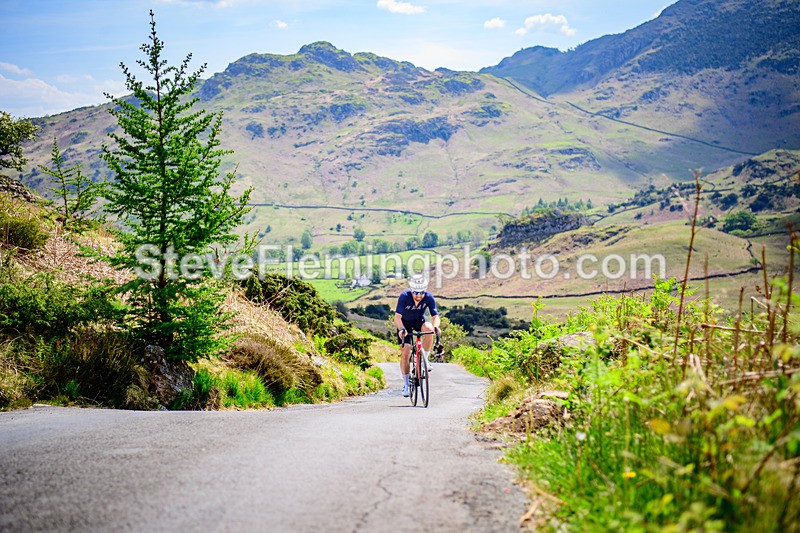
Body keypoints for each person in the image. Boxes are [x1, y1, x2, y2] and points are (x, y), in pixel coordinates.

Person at [394, 274, 440, 397]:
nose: (419, 295)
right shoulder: (404, 296)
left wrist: (436, 326)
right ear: (411, 290)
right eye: (416, 293)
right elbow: (397, 317)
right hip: (404, 324)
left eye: (422, 292)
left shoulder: (429, 297)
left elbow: (435, 316)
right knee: (405, 353)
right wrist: (401, 329)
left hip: (419, 321)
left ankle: (424, 360)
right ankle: (406, 384)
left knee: (429, 329)